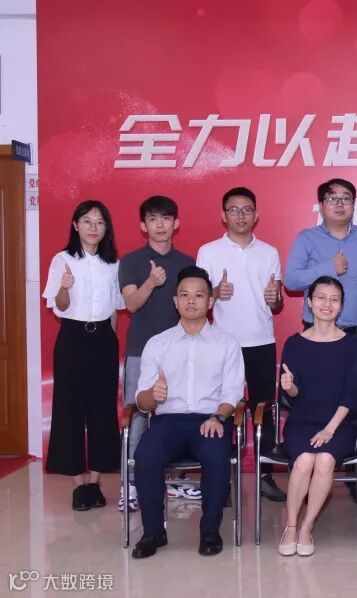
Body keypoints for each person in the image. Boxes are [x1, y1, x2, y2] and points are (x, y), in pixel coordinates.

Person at [131, 266, 245, 559]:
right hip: (168, 422)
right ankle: (153, 532)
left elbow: (233, 393)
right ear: (175, 301)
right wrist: (152, 395)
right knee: (146, 454)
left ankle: (210, 531)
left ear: (210, 301)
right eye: (184, 295)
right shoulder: (158, 344)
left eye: (198, 295)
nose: (191, 301)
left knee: (216, 454)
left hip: (211, 419)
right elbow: (142, 403)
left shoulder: (227, 344)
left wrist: (219, 416)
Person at [284, 178, 357, 502]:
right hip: (315, 339)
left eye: (346, 198)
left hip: (356, 336)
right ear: (321, 204)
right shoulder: (307, 238)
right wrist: (329, 267)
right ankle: (306, 467)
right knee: (310, 401)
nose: (340, 204)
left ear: (354, 204)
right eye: (332, 198)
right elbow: (291, 280)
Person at [196, 187, 286, 502]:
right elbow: (198, 299)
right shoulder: (208, 252)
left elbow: (277, 303)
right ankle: (221, 478)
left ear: (256, 215)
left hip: (261, 340)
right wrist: (214, 293)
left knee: (264, 410)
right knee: (222, 409)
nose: (241, 215)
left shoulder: (269, 252)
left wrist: (275, 298)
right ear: (223, 216)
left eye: (247, 209)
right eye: (234, 210)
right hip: (223, 343)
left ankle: (265, 475)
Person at [42, 200, 125, 511]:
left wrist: (112, 343)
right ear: (75, 225)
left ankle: (95, 481)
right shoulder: (62, 260)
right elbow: (60, 306)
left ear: (106, 229)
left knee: (103, 408)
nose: (93, 227)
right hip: (73, 339)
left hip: (103, 339)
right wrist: (65, 286)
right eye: (87, 221)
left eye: (99, 222)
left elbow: (115, 309)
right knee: (70, 408)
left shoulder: (113, 264)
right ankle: (78, 483)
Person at [117, 195, 195, 511]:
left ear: (176, 223)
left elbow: (195, 305)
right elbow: (131, 304)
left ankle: (174, 479)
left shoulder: (188, 262)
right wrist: (150, 282)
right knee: (137, 418)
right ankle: (131, 485)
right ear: (143, 225)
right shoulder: (131, 261)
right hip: (140, 351)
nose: (160, 224)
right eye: (152, 219)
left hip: (180, 351)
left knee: (177, 414)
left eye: (166, 218)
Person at [277, 277, 357, 557]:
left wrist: (329, 429)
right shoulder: (294, 343)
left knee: (325, 459)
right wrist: (289, 386)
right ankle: (291, 526)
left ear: (341, 306)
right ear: (309, 302)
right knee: (303, 460)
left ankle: (307, 527)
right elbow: (294, 395)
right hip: (301, 422)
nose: (327, 304)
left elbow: (351, 395)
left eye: (334, 299)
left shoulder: (352, 345)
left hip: (340, 424)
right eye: (321, 298)